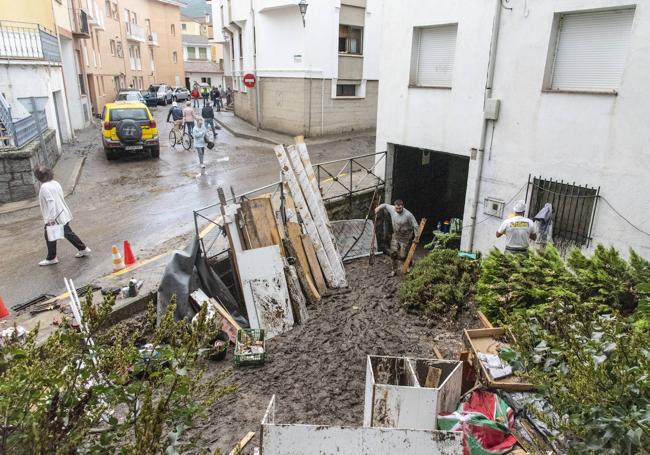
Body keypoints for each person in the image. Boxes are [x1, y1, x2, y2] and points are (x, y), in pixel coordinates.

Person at [34, 166, 90, 266]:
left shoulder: (44, 187)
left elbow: (50, 202)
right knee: (65, 233)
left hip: (55, 217)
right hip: (62, 213)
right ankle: (83, 249)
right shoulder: (55, 183)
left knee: (53, 235)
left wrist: (51, 219)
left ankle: (52, 258)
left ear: (39, 177)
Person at [375, 199, 418, 276]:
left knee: (403, 256)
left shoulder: (408, 215)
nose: (398, 210)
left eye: (400, 208)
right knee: (393, 254)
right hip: (396, 236)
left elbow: (415, 226)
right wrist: (378, 208)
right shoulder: (392, 209)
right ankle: (394, 270)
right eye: (396, 208)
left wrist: (416, 237)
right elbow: (385, 205)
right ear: (394, 207)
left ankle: (409, 264)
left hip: (405, 238)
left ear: (403, 207)